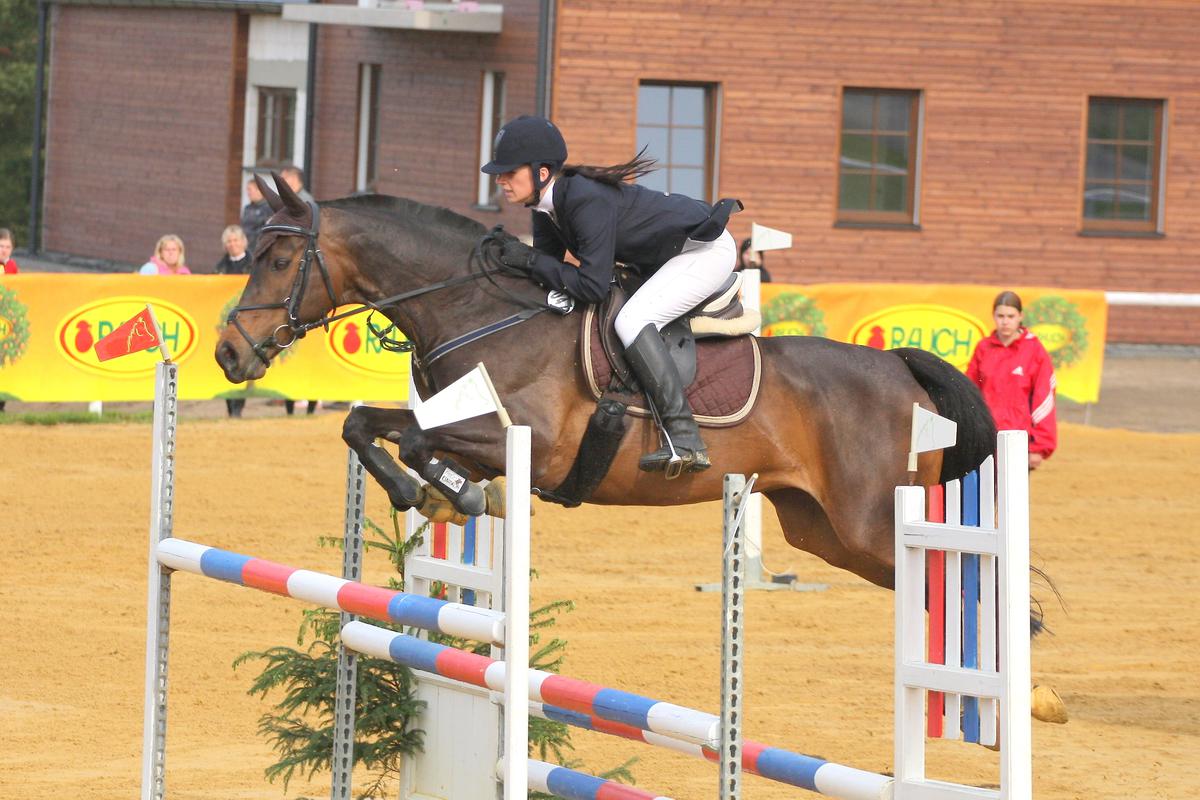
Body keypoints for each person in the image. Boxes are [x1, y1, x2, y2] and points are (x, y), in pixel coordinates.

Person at [482, 115, 741, 474]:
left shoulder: (584, 200)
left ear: (541, 173)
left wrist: (527, 259)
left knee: (632, 320)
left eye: (509, 172)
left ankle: (685, 438)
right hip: (666, 255)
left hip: (704, 251)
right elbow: (546, 272)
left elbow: (592, 285)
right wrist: (503, 260)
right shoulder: (545, 208)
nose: (500, 180)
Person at [966, 291, 1057, 470]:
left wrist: (1039, 447)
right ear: (993, 316)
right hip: (986, 439)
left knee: (1014, 488)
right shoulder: (983, 348)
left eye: (1010, 316)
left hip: (1019, 440)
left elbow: (1044, 399)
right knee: (984, 488)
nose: (1005, 322)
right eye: (1000, 316)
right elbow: (970, 393)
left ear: (1020, 317)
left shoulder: (1034, 350)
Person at [240, 177, 272, 250]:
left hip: (258, 248)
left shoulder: (268, 208)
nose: (248, 193)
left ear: (259, 190)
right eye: (247, 190)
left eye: (250, 189)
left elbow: (266, 230)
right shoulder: (247, 208)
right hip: (244, 248)